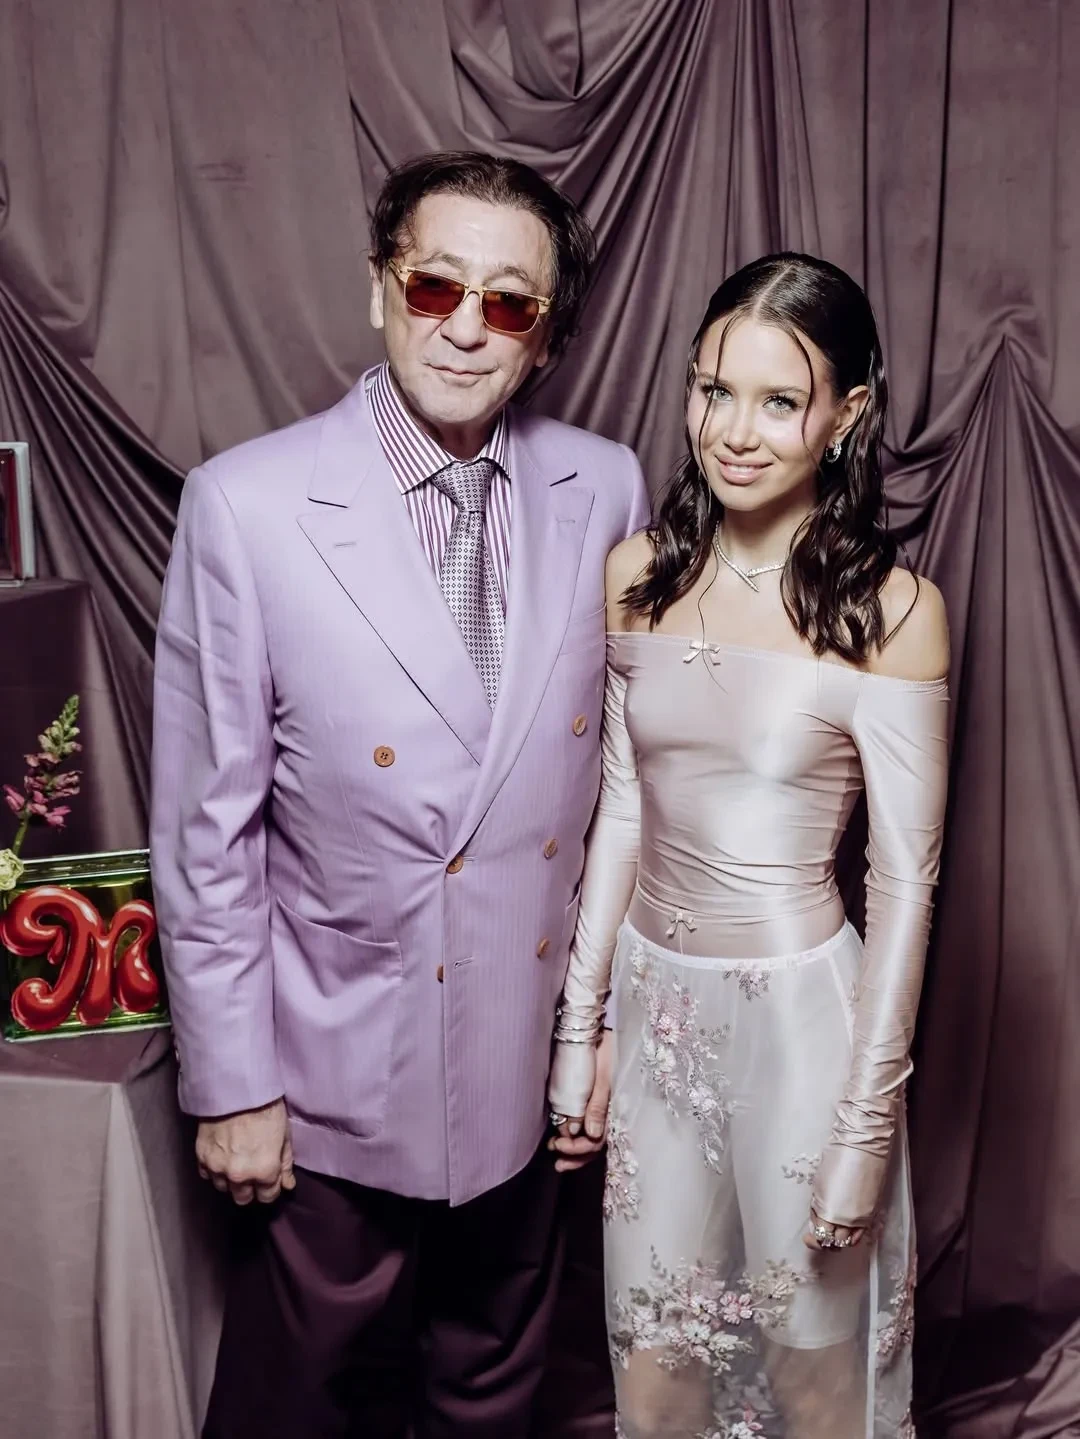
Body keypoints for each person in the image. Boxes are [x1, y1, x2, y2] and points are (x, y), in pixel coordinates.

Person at [150, 150, 649, 1438]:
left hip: (521, 1060)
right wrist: (231, 1084)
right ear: (381, 284)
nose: (466, 326)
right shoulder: (248, 504)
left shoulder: (605, 485)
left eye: (510, 302)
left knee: (493, 1390)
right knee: (292, 1401)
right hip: (330, 1071)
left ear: (547, 336)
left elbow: (620, 787)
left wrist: (593, 1031)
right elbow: (208, 834)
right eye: (436, 285)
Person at [547, 252, 950, 1439]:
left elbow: (906, 882)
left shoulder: (894, 612)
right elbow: (624, 807)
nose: (735, 431)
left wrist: (864, 1129)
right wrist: (582, 1029)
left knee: (813, 1373)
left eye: (780, 401)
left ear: (846, 415)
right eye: (715, 389)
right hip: (656, 1010)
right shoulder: (637, 576)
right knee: (653, 1358)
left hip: (802, 1031)